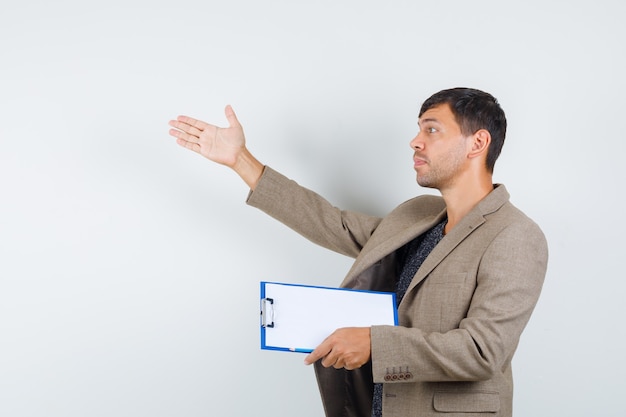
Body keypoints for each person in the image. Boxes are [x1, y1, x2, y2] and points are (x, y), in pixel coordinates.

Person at [168, 88, 548, 417]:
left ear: (477, 143)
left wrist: (373, 342)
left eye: (431, 129)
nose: (415, 141)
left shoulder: (514, 235)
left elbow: (483, 351)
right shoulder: (417, 215)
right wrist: (240, 160)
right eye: (418, 129)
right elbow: (333, 224)